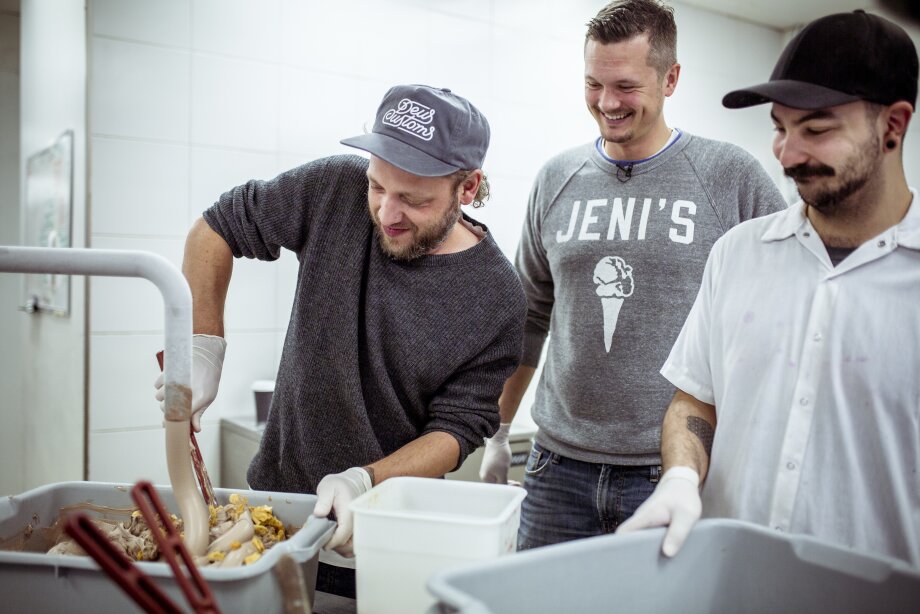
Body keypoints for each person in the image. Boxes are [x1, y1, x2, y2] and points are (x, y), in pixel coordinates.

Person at [154, 84, 527, 596]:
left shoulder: (496, 296)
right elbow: (214, 230)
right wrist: (204, 347)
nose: (387, 213)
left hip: (385, 537)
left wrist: (365, 480)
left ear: (467, 188)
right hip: (275, 519)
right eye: (378, 187)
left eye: (413, 199)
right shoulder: (336, 188)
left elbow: (457, 429)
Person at [478, 0, 787, 550]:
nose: (606, 103)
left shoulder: (728, 175)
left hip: (673, 474)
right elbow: (528, 316)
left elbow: (780, 310)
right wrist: (499, 431)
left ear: (670, 78)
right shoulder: (558, 179)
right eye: (593, 84)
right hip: (557, 471)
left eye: (625, 86)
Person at [617, 10, 920, 567]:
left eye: (817, 129)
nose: (786, 153)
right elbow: (695, 397)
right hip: (728, 583)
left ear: (892, 127)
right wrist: (682, 476)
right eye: (781, 127)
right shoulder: (738, 253)